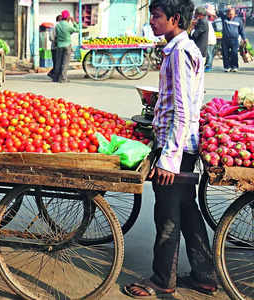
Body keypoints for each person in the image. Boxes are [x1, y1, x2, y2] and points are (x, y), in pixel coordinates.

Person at [123, 0, 218, 298]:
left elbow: (183, 109)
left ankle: (162, 280)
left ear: (174, 19)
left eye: (156, 16)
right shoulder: (181, 49)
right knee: (187, 209)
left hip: (176, 150)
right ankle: (204, 275)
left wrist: (168, 160)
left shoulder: (179, 53)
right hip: (181, 147)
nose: (151, 21)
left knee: (166, 214)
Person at [52, 10, 79, 83]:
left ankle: (56, 78)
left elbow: (55, 35)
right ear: (68, 18)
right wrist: (74, 22)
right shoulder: (68, 25)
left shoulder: (57, 25)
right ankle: (63, 78)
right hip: (67, 45)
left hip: (59, 45)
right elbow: (77, 30)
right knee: (65, 63)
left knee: (58, 62)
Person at [220, 8, 246, 72]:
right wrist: (227, 8)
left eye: (231, 14)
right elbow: (220, 12)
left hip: (234, 40)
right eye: (228, 14)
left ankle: (234, 66)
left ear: (235, 14)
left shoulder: (238, 20)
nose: (230, 15)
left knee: (234, 53)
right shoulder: (224, 18)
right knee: (225, 54)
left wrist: (244, 38)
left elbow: (241, 30)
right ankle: (227, 67)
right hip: (225, 40)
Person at [47, 14, 62, 79]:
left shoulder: (54, 26)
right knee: (57, 63)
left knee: (56, 62)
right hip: (56, 47)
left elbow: (51, 37)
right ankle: (53, 75)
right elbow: (51, 37)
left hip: (54, 47)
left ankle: (53, 74)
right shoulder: (57, 26)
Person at [205, 6, 217, 72]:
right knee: (209, 54)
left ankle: (209, 66)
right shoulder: (207, 21)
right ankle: (208, 65)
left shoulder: (213, 22)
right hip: (208, 40)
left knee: (209, 54)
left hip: (211, 40)